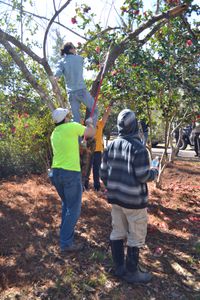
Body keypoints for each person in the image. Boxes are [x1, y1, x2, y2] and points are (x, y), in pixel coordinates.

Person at [100, 109, 158, 284]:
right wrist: (154, 172)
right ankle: (132, 272)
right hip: (134, 202)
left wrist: (114, 186)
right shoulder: (138, 148)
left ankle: (119, 268)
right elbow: (142, 176)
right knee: (136, 235)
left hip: (116, 199)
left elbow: (103, 173)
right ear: (134, 126)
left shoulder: (110, 145)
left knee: (117, 231)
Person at [50, 107, 95, 253]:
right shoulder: (71, 127)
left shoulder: (54, 134)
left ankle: (64, 232)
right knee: (74, 209)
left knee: (67, 205)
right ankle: (65, 243)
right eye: (68, 116)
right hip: (70, 173)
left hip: (56, 173)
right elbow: (91, 133)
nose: (69, 117)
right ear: (65, 118)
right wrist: (90, 123)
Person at [54, 42, 98, 125]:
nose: (76, 49)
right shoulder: (79, 58)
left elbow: (57, 74)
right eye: (74, 47)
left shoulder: (61, 62)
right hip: (81, 90)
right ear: (71, 49)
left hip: (71, 93)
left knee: (76, 118)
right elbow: (81, 60)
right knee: (94, 109)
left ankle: (77, 138)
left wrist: (55, 83)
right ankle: (90, 123)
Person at [85, 105, 111, 191]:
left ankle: (97, 186)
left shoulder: (100, 124)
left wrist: (107, 110)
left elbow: (105, 117)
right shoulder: (86, 124)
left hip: (98, 151)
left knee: (96, 170)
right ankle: (85, 185)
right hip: (88, 150)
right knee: (87, 169)